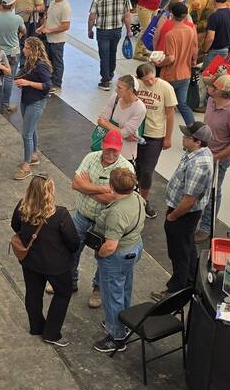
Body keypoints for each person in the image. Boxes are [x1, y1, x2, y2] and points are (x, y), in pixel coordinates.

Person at [11, 175, 81, 347]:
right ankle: (51, 333)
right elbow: (73, 242)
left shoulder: (22, 207)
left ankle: (36, 327)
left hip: (30, 262)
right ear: (49, 191)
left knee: (33, 294)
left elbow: (15, 226)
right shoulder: (61, 214)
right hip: (56, 266)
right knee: (63, 294)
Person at [70, 132, 135, 308]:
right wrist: (103, 190)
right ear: (102, 145)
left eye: (115, 151)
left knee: (103, 257)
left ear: (121, 149)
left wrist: (87, 188)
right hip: (82, 217)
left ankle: (97, 289)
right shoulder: (91, 157)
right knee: (72, 250)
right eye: (108, 150)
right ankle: (70, 281)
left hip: (106, 225)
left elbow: (115, 199)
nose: (111, 154)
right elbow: (76, 184)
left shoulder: (126, 168)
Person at [153, 122, 215, 301]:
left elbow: (189, 200)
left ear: (197, 142)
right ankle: (191, 282)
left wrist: (172, 216)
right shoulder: (194, 153)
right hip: (182, 211)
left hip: (183, 214)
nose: (183, 137)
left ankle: (176, 290)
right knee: (187, 247)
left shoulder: (198, 164)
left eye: (187, 136)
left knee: (178, 252)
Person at [92, 169, 147, 353]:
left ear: (112, 186)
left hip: (118, 256)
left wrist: (100, 253)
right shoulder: (137, 198)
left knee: (111, 294)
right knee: (124, 288)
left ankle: (117, 336)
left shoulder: (117, 213)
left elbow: (110, 246)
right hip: (134, 248)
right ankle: (123, 321)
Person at [198, 73, 230, 241]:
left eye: (212, 86)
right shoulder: (212, 100)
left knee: (213, 191)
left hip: (219, 158)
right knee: (199, 187)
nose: (208, 87)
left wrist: (217, 157)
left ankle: (206, 227)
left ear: (219, 91)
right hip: (204, 152)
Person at [132, 62, 176, 218]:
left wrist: (168, 137)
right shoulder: (137, 85)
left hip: (155, 135)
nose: (150, 82)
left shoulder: (165, 88)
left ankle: (144, 202)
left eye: (152, 78)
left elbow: (170, 114)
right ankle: (132, 197)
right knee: (134, 167)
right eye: (146, 80)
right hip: (137, 132)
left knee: (147, 171)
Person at [13, 37, 52, 180]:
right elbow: (22, 73)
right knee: (32, 128)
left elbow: (47, 86)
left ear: (33, 49)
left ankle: (26, 165)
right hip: (27, 100)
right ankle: (34, 154)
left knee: (26, 134)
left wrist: (27, 82)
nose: (23, 50)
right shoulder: (30, 62)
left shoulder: (41, 66)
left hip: (36, 102)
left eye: (26, 47)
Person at [87, 0, 132, 91]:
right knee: (113, 52)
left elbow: (92, 17)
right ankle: (110, 74)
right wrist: (129, 30)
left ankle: (105, 80)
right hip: (117, 29)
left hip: (102, 31)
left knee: (104, 54)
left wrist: (90, 30)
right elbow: (127, 16)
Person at [158, 1, 197, 126]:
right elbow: (195, 49)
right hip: (185, 73)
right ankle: (193, 131)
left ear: (171, 15)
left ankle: (160, 131)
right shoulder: (190, 31)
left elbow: (171, 58)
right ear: (185, 16)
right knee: (182, 104)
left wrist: (159, 63)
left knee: (163, 105)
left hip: (170, 75)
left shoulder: (171, 35)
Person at [96, 75, 147, 163]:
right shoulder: (115, 98)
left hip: (125, 154)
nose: (116, 90)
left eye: (120, 88)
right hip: (107, 148)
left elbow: (124, 133)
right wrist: (121, 132)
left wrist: (106, 124)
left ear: (130, 90)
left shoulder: (140, 108)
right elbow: (101, 120)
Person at [38, 0, 71, 93]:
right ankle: (51, 81)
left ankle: (57, 83)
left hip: (58, 40)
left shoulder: (65, 6)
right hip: (49, 39)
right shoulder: (52, 3)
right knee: (50, 61)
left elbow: (65, 26)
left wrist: (50, 30)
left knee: (57, 62)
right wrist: (42, 27)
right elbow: (48, 19)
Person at [0, 0, 26, 82]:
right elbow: (24, 31)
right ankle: (6, 96)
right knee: (9, 78)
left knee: (0, 77)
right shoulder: (17, 18)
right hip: (13, 51)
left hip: (0, 51)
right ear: (13, 5)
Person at [201, 0, 230, 71]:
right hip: (226, 50)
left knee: (207, 76)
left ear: (214, 0)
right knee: (219, 75)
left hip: (214, 52)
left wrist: (205, 50)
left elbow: (210, 38)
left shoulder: (214, 16)